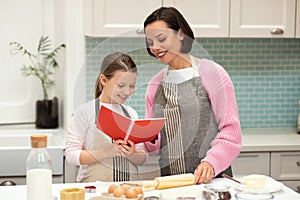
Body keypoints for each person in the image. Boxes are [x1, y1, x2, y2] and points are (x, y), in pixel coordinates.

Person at [143, 7, 242, 184]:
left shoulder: (213, 73)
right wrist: (141, 137)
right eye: (150, 42)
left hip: (213, 180)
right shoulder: (155, 84)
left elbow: (231, 131)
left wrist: (211, 163)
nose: (155, 48)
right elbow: (155, 144)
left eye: (161, 39)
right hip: (172, 183)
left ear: (180, 34)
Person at [65, 52, 147, 182]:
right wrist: (106, 152)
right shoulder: (84, 112)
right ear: (104, 80)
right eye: (121, 85)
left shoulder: (131, 114)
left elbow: (142, 158)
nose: (127, 92)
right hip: (93, 189)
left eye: (131, 86)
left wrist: (131, 154)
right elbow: (71, 155)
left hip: (127, 188)